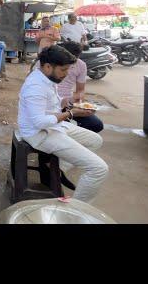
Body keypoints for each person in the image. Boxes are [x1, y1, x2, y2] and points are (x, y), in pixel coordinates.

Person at [17, 45, 108, 203]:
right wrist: (71, 113)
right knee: (98, 169)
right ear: (47, 66)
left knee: (96, 140)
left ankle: (58, 170)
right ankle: (75, 209)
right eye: (64, 70)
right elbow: (39, 122)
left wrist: (68, 103)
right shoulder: (36, 86)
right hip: (39, 134)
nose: (66, 75)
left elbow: (51, 105)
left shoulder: (46, 78)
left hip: (53, 126)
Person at [57, 41, 104, 133]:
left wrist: (80, 103)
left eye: (75, 58)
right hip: (52, 104)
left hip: (68, 105)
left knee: (96, 125)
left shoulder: (81, 65)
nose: (71, 63)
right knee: (54, 124)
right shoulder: (52, 63)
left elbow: (80, 90)